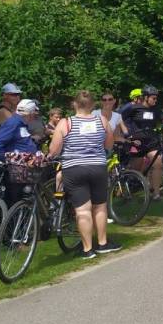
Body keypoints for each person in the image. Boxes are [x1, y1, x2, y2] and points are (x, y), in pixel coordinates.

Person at [49, 91, 120, 258]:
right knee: (100, 206)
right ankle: (102, 243)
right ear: (93, 105)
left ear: (74, 104)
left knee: (82, 210)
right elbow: (109, 144)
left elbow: (54, 150)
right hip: (97, 167)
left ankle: (87, 249)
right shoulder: (102, 121)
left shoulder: (65, 123)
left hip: (74, 169)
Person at [119, 85, 163, 200]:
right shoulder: (134, 108)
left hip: (151, 141)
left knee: (158, 163)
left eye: (156, 98)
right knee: (136, 169)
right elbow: (118, 117)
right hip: (136, 142)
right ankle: (125, 185)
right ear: (146, 97)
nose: (155, 100)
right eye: (153, 98)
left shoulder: (156, 109)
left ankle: (156, 194)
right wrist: (125, 131)